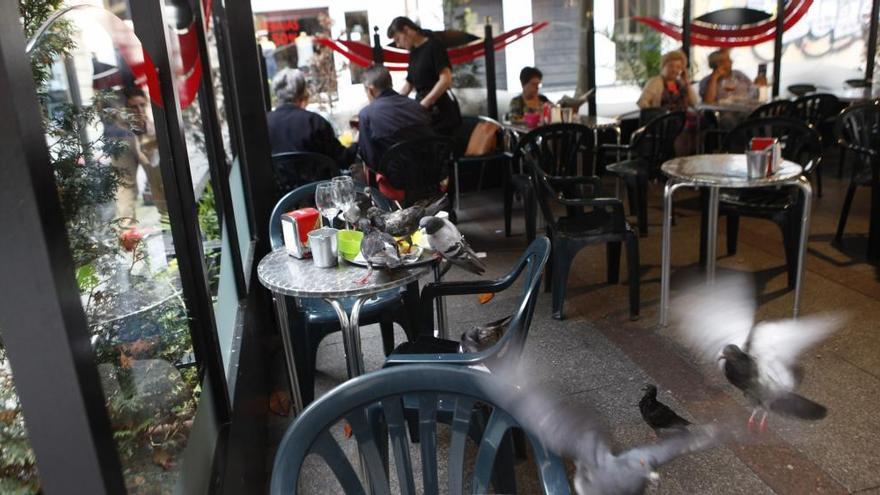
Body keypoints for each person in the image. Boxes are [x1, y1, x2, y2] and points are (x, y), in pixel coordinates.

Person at [266, 68, 355, 167]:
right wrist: (357, 142)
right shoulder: (314, 122)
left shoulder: (264, 123)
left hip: (277, 183)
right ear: (303, 92)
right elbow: (342, 160)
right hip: (317, 182)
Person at [387, 17, 461, 135]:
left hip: (440, 110)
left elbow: (445, 79)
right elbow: (408, 84)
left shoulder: (434, 45)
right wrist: (393, 102)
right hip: (424, 110)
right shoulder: (413, 53)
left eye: (398, 39)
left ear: (407, 30)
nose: (398, 45)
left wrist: (425, 103)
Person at [356, 64, 433, 168]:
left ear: (370, 90)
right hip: (430, 175)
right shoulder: (418, 107)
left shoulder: (366, 115)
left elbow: (370, 159)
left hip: (393, 181)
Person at [124, 86, 167, 218]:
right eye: (134, 107)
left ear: (147, 103)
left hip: (161, 187)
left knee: (159, 183)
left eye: (142, 105)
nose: (139, 110)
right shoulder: (124, 133)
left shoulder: (155, 127)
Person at [699, 48, 765, 104]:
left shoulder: (739, 75)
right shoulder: (706, 81)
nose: (731, 62)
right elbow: (708, 102)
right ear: (717, 64)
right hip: (723, 115)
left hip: (745, 111)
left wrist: (757, 85)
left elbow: (753, 92)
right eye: (727, 60)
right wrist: (714, 78)